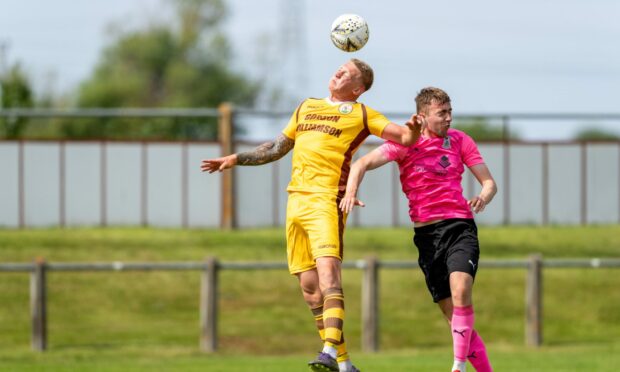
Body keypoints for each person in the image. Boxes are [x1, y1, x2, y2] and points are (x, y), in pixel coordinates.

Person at [201, 58, 422, 372]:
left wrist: (412, 131)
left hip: (325, 200)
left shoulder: (362, 114)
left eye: (348, 72)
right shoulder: (307, 106)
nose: (339, 71)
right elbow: (276, 147)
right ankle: (345, 365)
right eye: (340, 67)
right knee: (309, 288)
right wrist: (236, 157)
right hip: (296, 202)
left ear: (358, 88)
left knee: (329, 276)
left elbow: (404, 138)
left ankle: (329, 351)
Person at [339, 87, 497, 372]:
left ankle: (458, 366)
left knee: (461, 291)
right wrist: (350, 192)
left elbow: (489, 183)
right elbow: (361, 163)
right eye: (442, 113)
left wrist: (483, 197)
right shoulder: (405, 142)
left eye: (450, 112)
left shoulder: (460, 140)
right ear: (423, 117)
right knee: (455, 319)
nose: (449, 118)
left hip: (460, 227)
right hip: (426, 236)